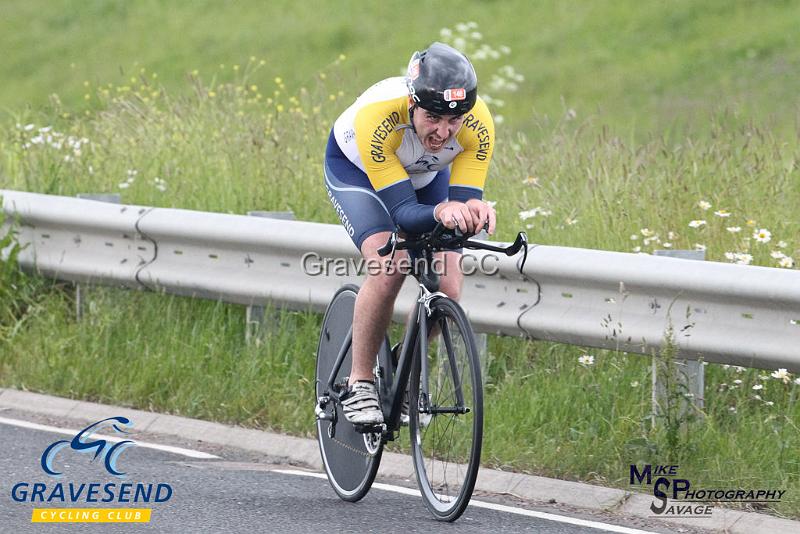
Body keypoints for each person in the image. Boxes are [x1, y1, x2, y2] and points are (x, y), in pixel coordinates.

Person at [324, 42, 497, 425]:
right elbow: (403, 213)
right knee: (391, 264)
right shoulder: (379, 117)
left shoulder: (478, 123)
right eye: (433, 118)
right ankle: (361, 382)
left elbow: (464, 199)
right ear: (412, 103)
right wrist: (441, 211)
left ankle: (402, 369)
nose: (443, 131)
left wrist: (474, 210)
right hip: (359, 174)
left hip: (425, 175)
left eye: (454, 121)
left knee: (448, 288)